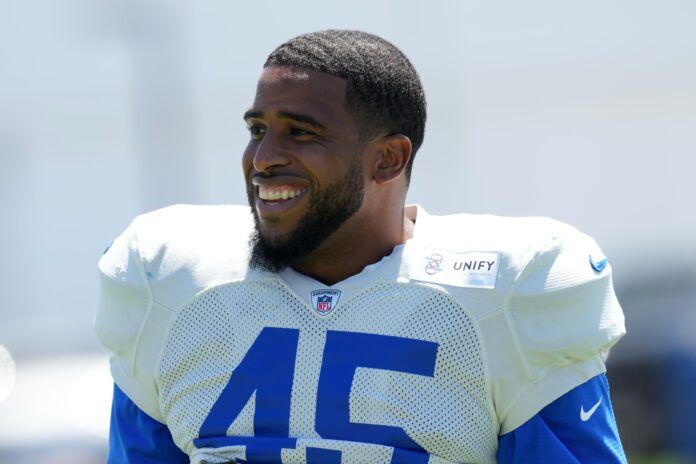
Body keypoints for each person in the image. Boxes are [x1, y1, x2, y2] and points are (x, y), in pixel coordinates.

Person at [96, 30, 627, 463]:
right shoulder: (169, 278)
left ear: (389, 159)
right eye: (258, 129)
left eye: (301, 133)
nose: (262, 158)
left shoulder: (508, 290)